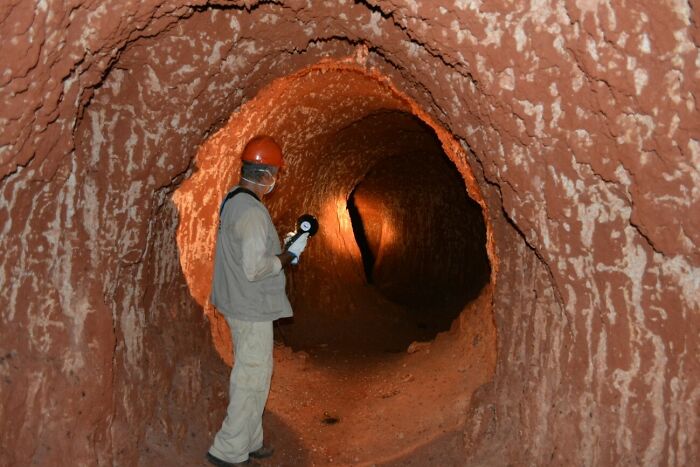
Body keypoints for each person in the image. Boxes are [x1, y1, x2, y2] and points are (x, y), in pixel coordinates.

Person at [206, 135, 309, 467]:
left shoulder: (234, 200)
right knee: (250, 377)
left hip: (238, 301)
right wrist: (285, 256)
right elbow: (255, 267)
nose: (274, 180)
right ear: (266, 174)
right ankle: (228, 451)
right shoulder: (250, 212)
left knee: (257, 373)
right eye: (274, 173)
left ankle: (250, 440)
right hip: (248, 307)